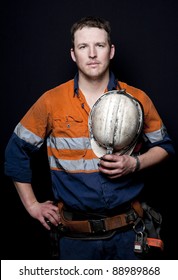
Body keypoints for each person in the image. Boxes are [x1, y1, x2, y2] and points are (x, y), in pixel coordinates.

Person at [4, 16, 175, 260]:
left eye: (100, 45)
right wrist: (32, 205)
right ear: (74, 54)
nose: (92, 54)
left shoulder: (138, 99)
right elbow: (15, 151)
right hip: (74, 240)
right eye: (84, 47)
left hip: (128, 234)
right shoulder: (51, 101)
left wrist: (134, 163)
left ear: (111, 51)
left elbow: (164, 146)